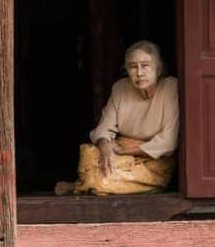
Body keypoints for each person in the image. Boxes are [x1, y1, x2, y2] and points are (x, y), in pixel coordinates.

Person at [56, 40, 179, 196]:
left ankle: (79, 186)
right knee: (90, 154)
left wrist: (123, 151)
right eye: (133, 67)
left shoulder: (171, 88)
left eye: (145, 65)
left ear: (159, 68)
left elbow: (168, 141)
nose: (139, 73)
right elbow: (104, 127)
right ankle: (89, 184)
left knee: (103, 179)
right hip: (120, 151)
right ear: (127, 70)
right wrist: (105, 146)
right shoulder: (121, 87)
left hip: (151, 158)